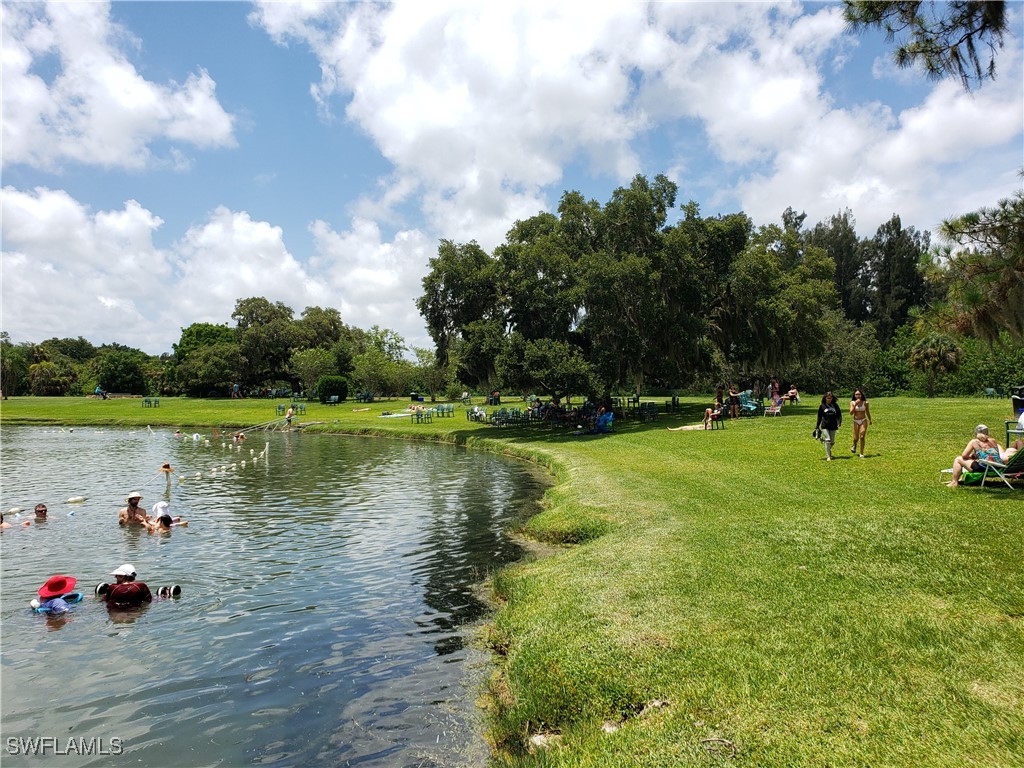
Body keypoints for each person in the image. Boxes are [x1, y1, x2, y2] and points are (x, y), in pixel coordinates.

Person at [815, 391, 843, 461]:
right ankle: (828, 456)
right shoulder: (822, 406)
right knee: (828, 439)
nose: (829, 399)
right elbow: (819, 416)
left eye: (830, 398)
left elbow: (839, 414)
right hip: (825, 425)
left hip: (833, 425)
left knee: (832, 442)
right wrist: (817, 426)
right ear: (825, 398)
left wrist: (839, 422)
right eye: (828, 398)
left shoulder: (835, 405)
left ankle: (825, 443)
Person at [849, 389, 873, 458]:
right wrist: (855, 404)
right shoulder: (852, 402)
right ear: (854, 395)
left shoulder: (865, 402)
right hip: (856, 421)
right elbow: (851, 413)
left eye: (859, 394)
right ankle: (854, 444)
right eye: (856, 394)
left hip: (863, 420)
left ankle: (861, 453)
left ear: (861, 395)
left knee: (862, 437)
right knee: (856, 438)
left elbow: (867, 411)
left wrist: (870, 419)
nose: (858, 396)